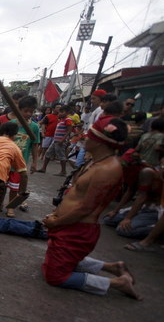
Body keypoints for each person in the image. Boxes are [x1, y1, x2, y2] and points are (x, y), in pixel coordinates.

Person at [41, 116, 141, 300]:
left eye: (90, 136)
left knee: (55, 277)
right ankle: (112, 267)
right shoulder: (96, 161)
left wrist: (56, 223)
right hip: (69, 225)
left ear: (101, 142)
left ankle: (118, 283)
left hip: (78, 230)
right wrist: (56, 216)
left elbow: (86, 208)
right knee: (50, 266)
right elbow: (75, 196)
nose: (85, 138)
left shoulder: (108, 169)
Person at [102, 164, 161, 239]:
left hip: (155, 210)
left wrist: (128, 218)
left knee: (122, 230)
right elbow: (130, 191)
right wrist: (115, 211)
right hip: (144, 207)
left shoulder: (147, 172)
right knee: (108, 219)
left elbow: (142, 197)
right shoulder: (132, 173)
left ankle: (158, 229)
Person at [5, 96, 41, 216]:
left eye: (31, 111)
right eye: (26, 111)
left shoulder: (34, 127)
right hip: (5, 162)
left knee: (15, 188)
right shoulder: (11, 124)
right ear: (19, 110)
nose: (29, 114)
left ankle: (11, 207)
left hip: (19, 164)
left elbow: (35, 145)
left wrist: (35, 162)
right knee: (0, 185)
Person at [39, 104, 73, 175]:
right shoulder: (61, 120)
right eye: (60, 112)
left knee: (61, 156)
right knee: (48, 153)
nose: (60, 113)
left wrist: (63, 140)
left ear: (67, 112)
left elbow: (69, 131)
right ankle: (43, 168)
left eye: (62, 112)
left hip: (60, 141)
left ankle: (63, 171)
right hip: (56, 140)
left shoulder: (68, 120)